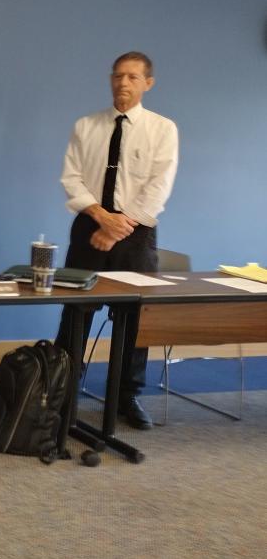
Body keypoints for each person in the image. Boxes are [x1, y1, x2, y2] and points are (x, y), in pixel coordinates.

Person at [57, 51, 178, 430]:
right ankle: (62, 392)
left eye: (131, 77)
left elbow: (159, 186)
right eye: (117, 76)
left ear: (147, 83)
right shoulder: (86, 126)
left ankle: (127, 396)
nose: (122, 83)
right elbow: (71, 178)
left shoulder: (163, 129)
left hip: (136, 235)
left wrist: (118, 226)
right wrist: (101, 217)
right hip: (89, 227)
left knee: (137, 317)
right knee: (75, 313)